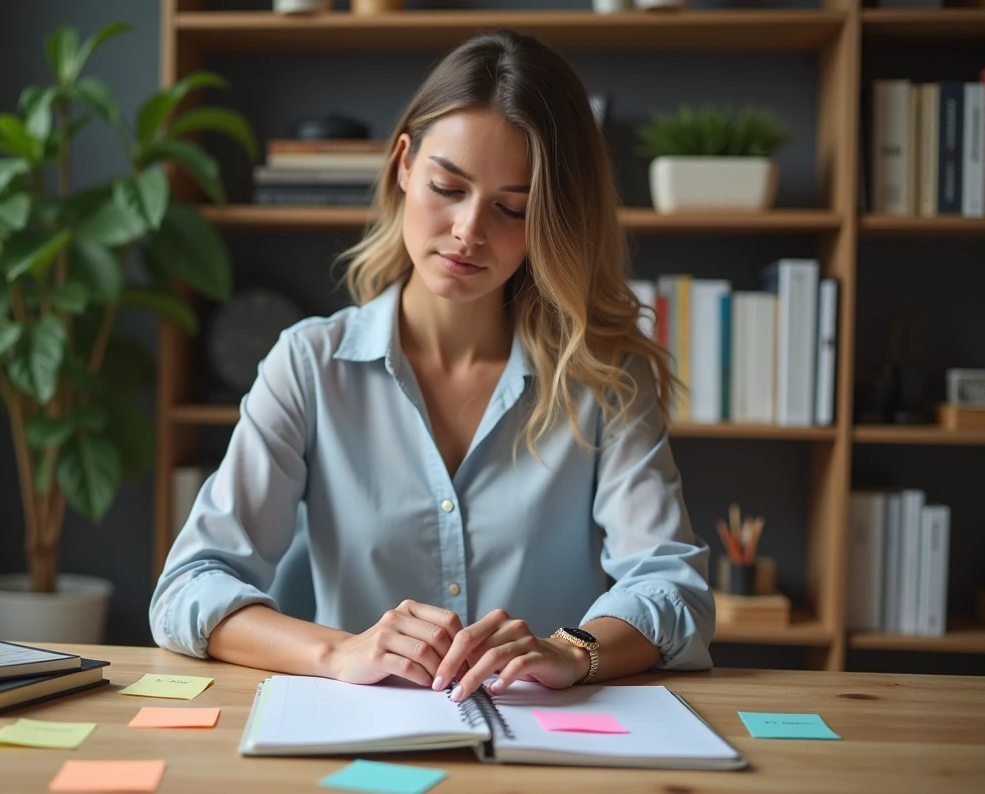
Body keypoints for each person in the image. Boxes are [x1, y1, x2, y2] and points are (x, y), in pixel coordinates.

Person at [150, 28, 714, 702]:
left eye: (512, 207)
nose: (469, 231)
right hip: (359, 738)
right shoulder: (309, 365)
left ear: (552, 220)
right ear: (403, 165)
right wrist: (337, 651)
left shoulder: (607, 379)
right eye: (448, 186)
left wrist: (576, 652)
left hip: (545, 744)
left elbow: (672, 588)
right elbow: (189, 586)